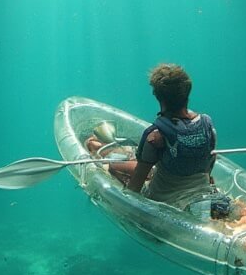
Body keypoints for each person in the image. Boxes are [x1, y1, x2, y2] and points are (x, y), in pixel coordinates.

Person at [86, 63, 217, 209]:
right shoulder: (207, 126)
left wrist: (123, 203)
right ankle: (100, 146)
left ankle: (96, 147)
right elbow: (210, 161)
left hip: (165, 199)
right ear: (188, 91)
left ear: (157, 96)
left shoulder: (155, 136)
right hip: (202, 191)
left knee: (113, 166)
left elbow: (136, 184)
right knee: (144, 165)